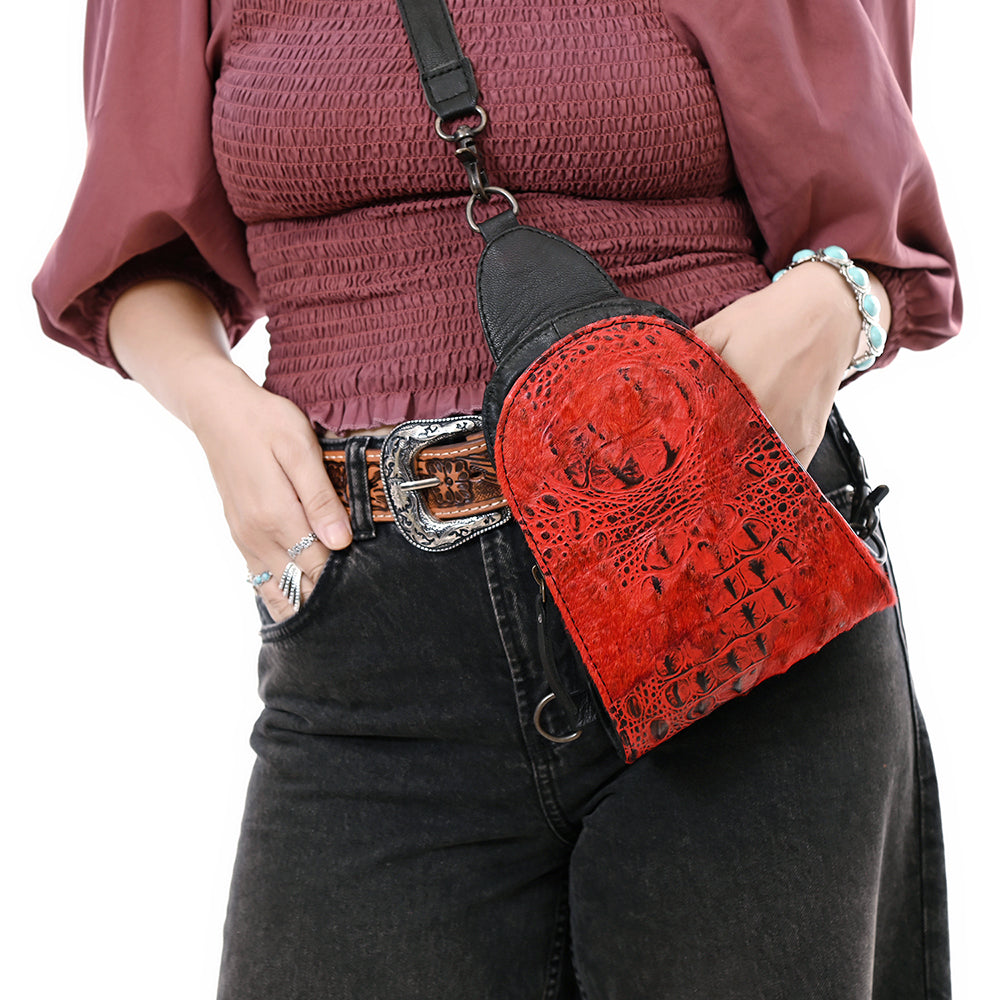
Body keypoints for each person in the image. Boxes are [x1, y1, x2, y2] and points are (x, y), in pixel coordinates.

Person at [33, 1, 959, 997]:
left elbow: (877, 247)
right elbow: (136, 252)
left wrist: (835, 303)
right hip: (372, 643)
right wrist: (217, 408)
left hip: (716, 580)